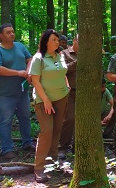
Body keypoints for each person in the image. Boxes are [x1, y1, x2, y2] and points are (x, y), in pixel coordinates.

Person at [29, 29, 70, 183]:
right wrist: (45, 100)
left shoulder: (60, 55)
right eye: (53, 39)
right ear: (46, 41)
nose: (57, 42)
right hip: (43, 100)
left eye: (57, 40)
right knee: (47, 131)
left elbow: (63, 72)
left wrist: (67, 87)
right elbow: (35, 80)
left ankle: (52, 163)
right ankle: (39, 168)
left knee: (57, 129)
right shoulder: (38, 58)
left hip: (61, 97)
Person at [0, 23, 34, 160]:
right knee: (6, 120)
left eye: (13, 31)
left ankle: (27, 142)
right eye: (8, 32)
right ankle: (7, 149)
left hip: (22, 91)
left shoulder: (19, 46)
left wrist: (28, 70)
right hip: (5, 93)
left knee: (25, 117)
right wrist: (17, 73)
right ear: (1, 36)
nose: (12, 34)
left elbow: (30, 58)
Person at [58, 34, 78, 160]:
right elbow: (62, 70)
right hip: (70, 92)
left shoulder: (89, 54)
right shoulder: (64, 53)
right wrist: (77, 62)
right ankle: (63, 147)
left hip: (85, 92)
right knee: (69, 119)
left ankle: (78, 146)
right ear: (75, 41)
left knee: (83, 120)